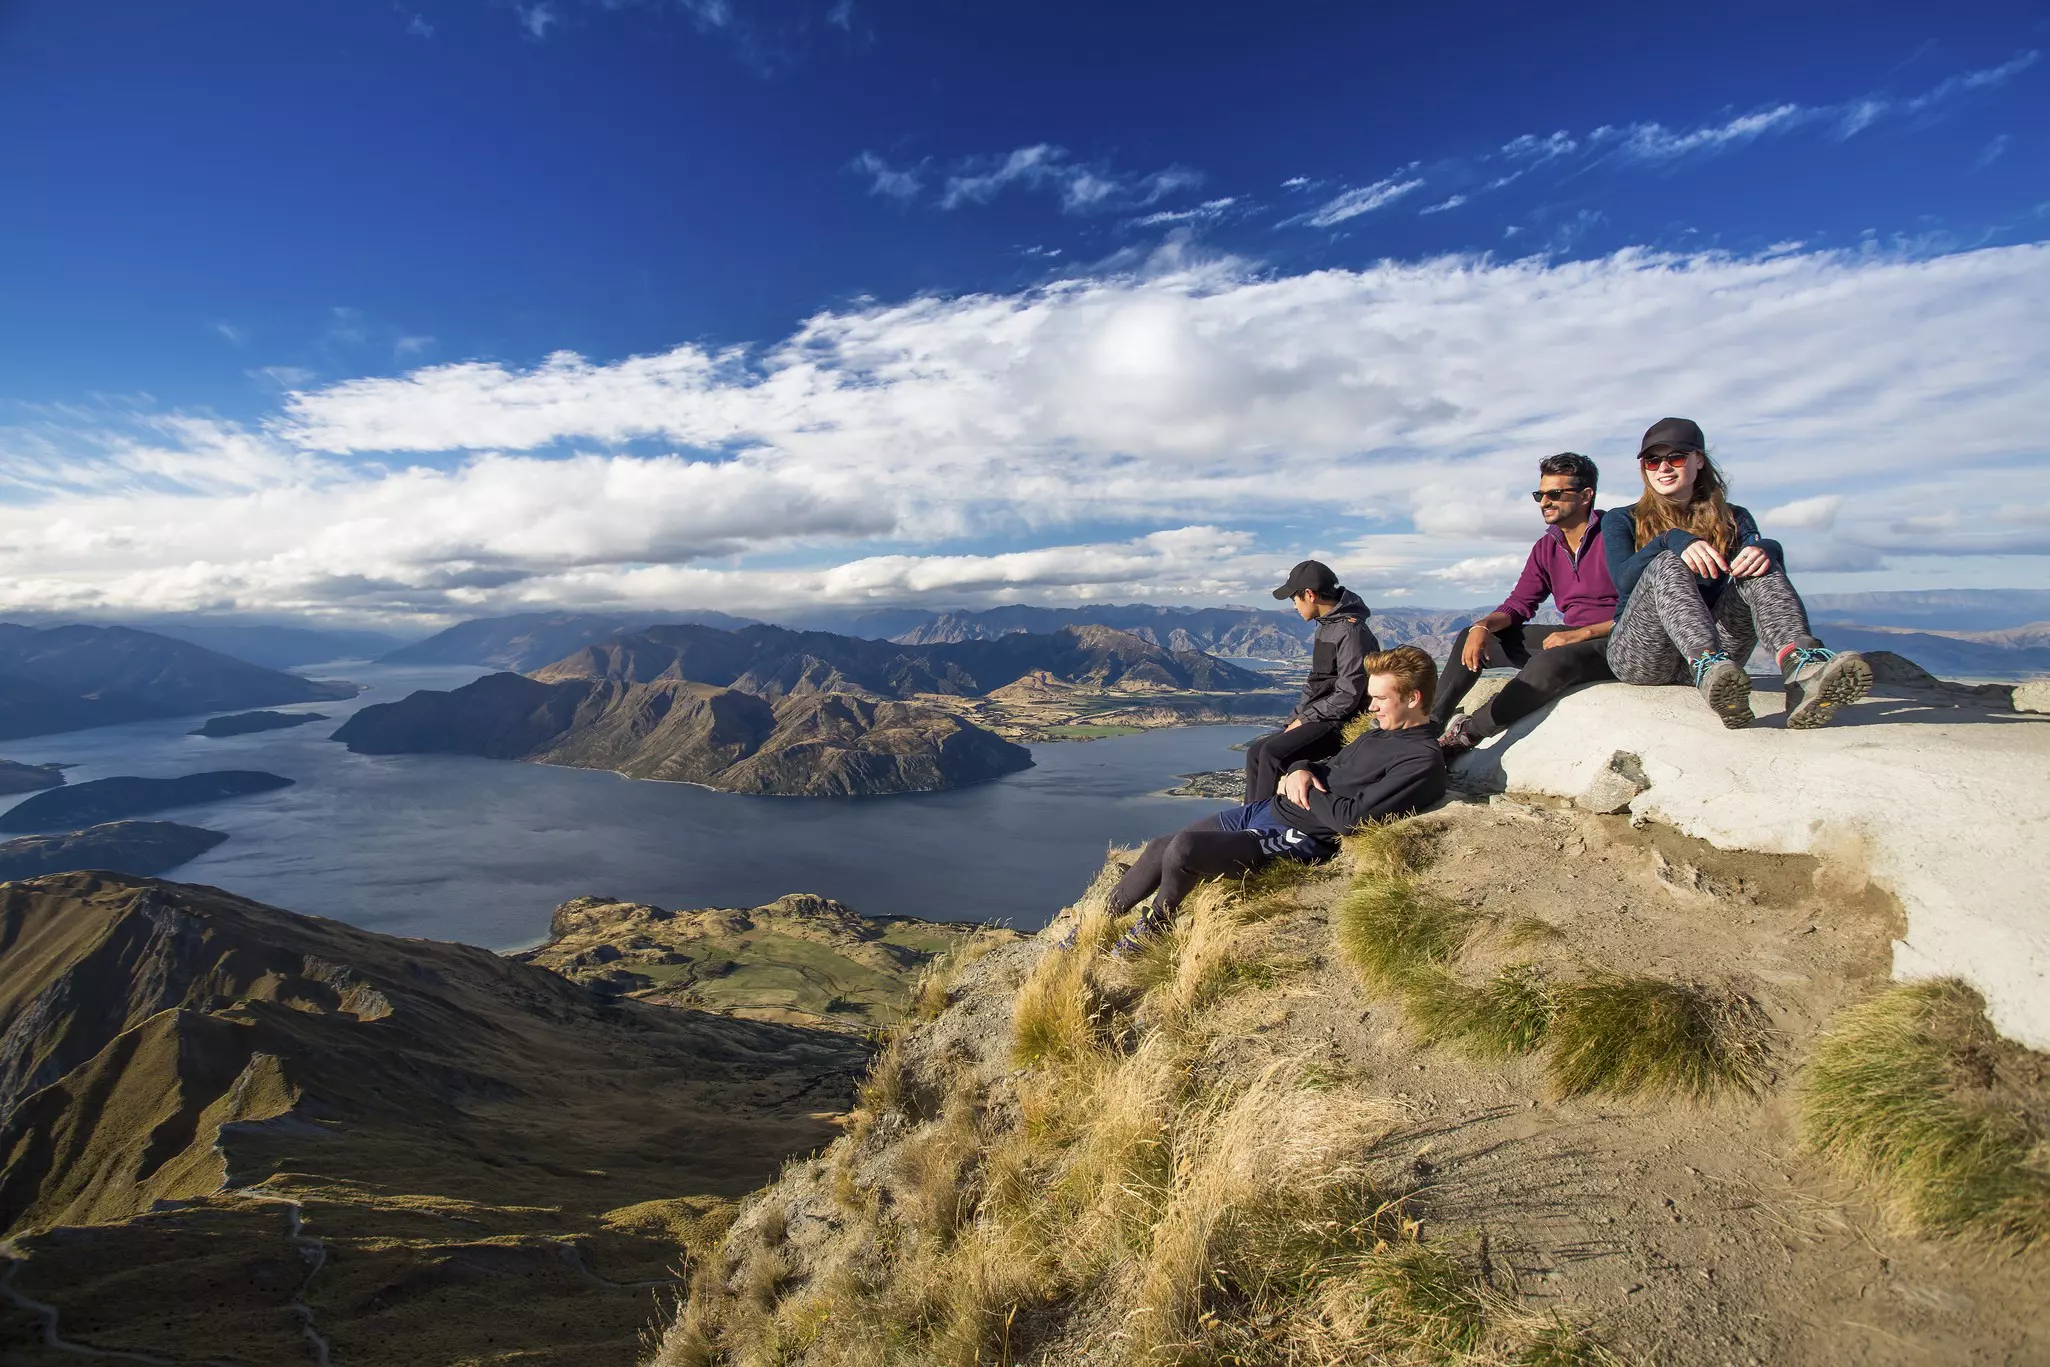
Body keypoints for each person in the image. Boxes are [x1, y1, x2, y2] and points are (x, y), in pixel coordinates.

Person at [1109, 646, 1446, 948]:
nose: (1371, 707)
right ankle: (1096, 923)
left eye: (1381, 699)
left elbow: (1351, 820)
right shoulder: (1377, 735)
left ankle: (1155, 927)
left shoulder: (1420, 760)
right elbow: (1326, 767)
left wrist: (1305, 789)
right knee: (1158, 848)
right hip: (1268, 811)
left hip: (1297, 838)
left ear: (1413, 698)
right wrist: (1300, 769)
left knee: (1185, 849)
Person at [1603, 417, 1871, 729]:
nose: (1663, 468)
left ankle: (1801, 670)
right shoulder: (1622, 519)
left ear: (1699, 460)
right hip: (1642, 655)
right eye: (1652, 461)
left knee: (1759, 562)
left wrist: (1767, 548)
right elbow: (1623, 580)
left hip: (1721, 660)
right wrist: (1670, 540)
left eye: (1675, 457)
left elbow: (1762, 558)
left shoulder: (1734, 518)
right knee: (1666, 561)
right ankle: (1706, 662)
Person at [1432, 452, 1618, 757]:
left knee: (1550, 660)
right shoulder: (1547, 545)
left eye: (1555, 494)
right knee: (1474, 636)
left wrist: (1580, 635)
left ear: (1586, 496)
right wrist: (1482, 627)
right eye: (1540, 494)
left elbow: (1644, 609)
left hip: (1619, 641)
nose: (1545, 502)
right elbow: (1520, 603)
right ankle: (1428, 726)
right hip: (1571, 637)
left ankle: (1465, 735)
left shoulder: (1617, 532)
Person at [1241, 559, 1377, 802]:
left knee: (1272, 753)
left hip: (1340, 720)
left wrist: (1305, 719)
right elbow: (1317, 683)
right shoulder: (1327, 627)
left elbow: (1348, 694)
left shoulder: (1351, 632)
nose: (1294, 605)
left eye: (1294, 598)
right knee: (1255, 751)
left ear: (1310, 594)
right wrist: (1294, 719)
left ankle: (1260, 826)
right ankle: (1248, 816)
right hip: (1322, 716)